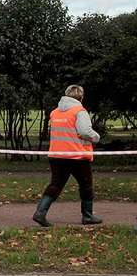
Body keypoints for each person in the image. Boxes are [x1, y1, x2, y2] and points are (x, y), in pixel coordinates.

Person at [32, 85, 102, 227]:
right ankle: (87, 216)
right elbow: (84, 131)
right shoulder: (79, 111)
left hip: (57, 155)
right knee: (86, 185)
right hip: (77, 156)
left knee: (55, 184)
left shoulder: (55, 112)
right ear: (81, 97)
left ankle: (40, 213)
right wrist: (96, 137)